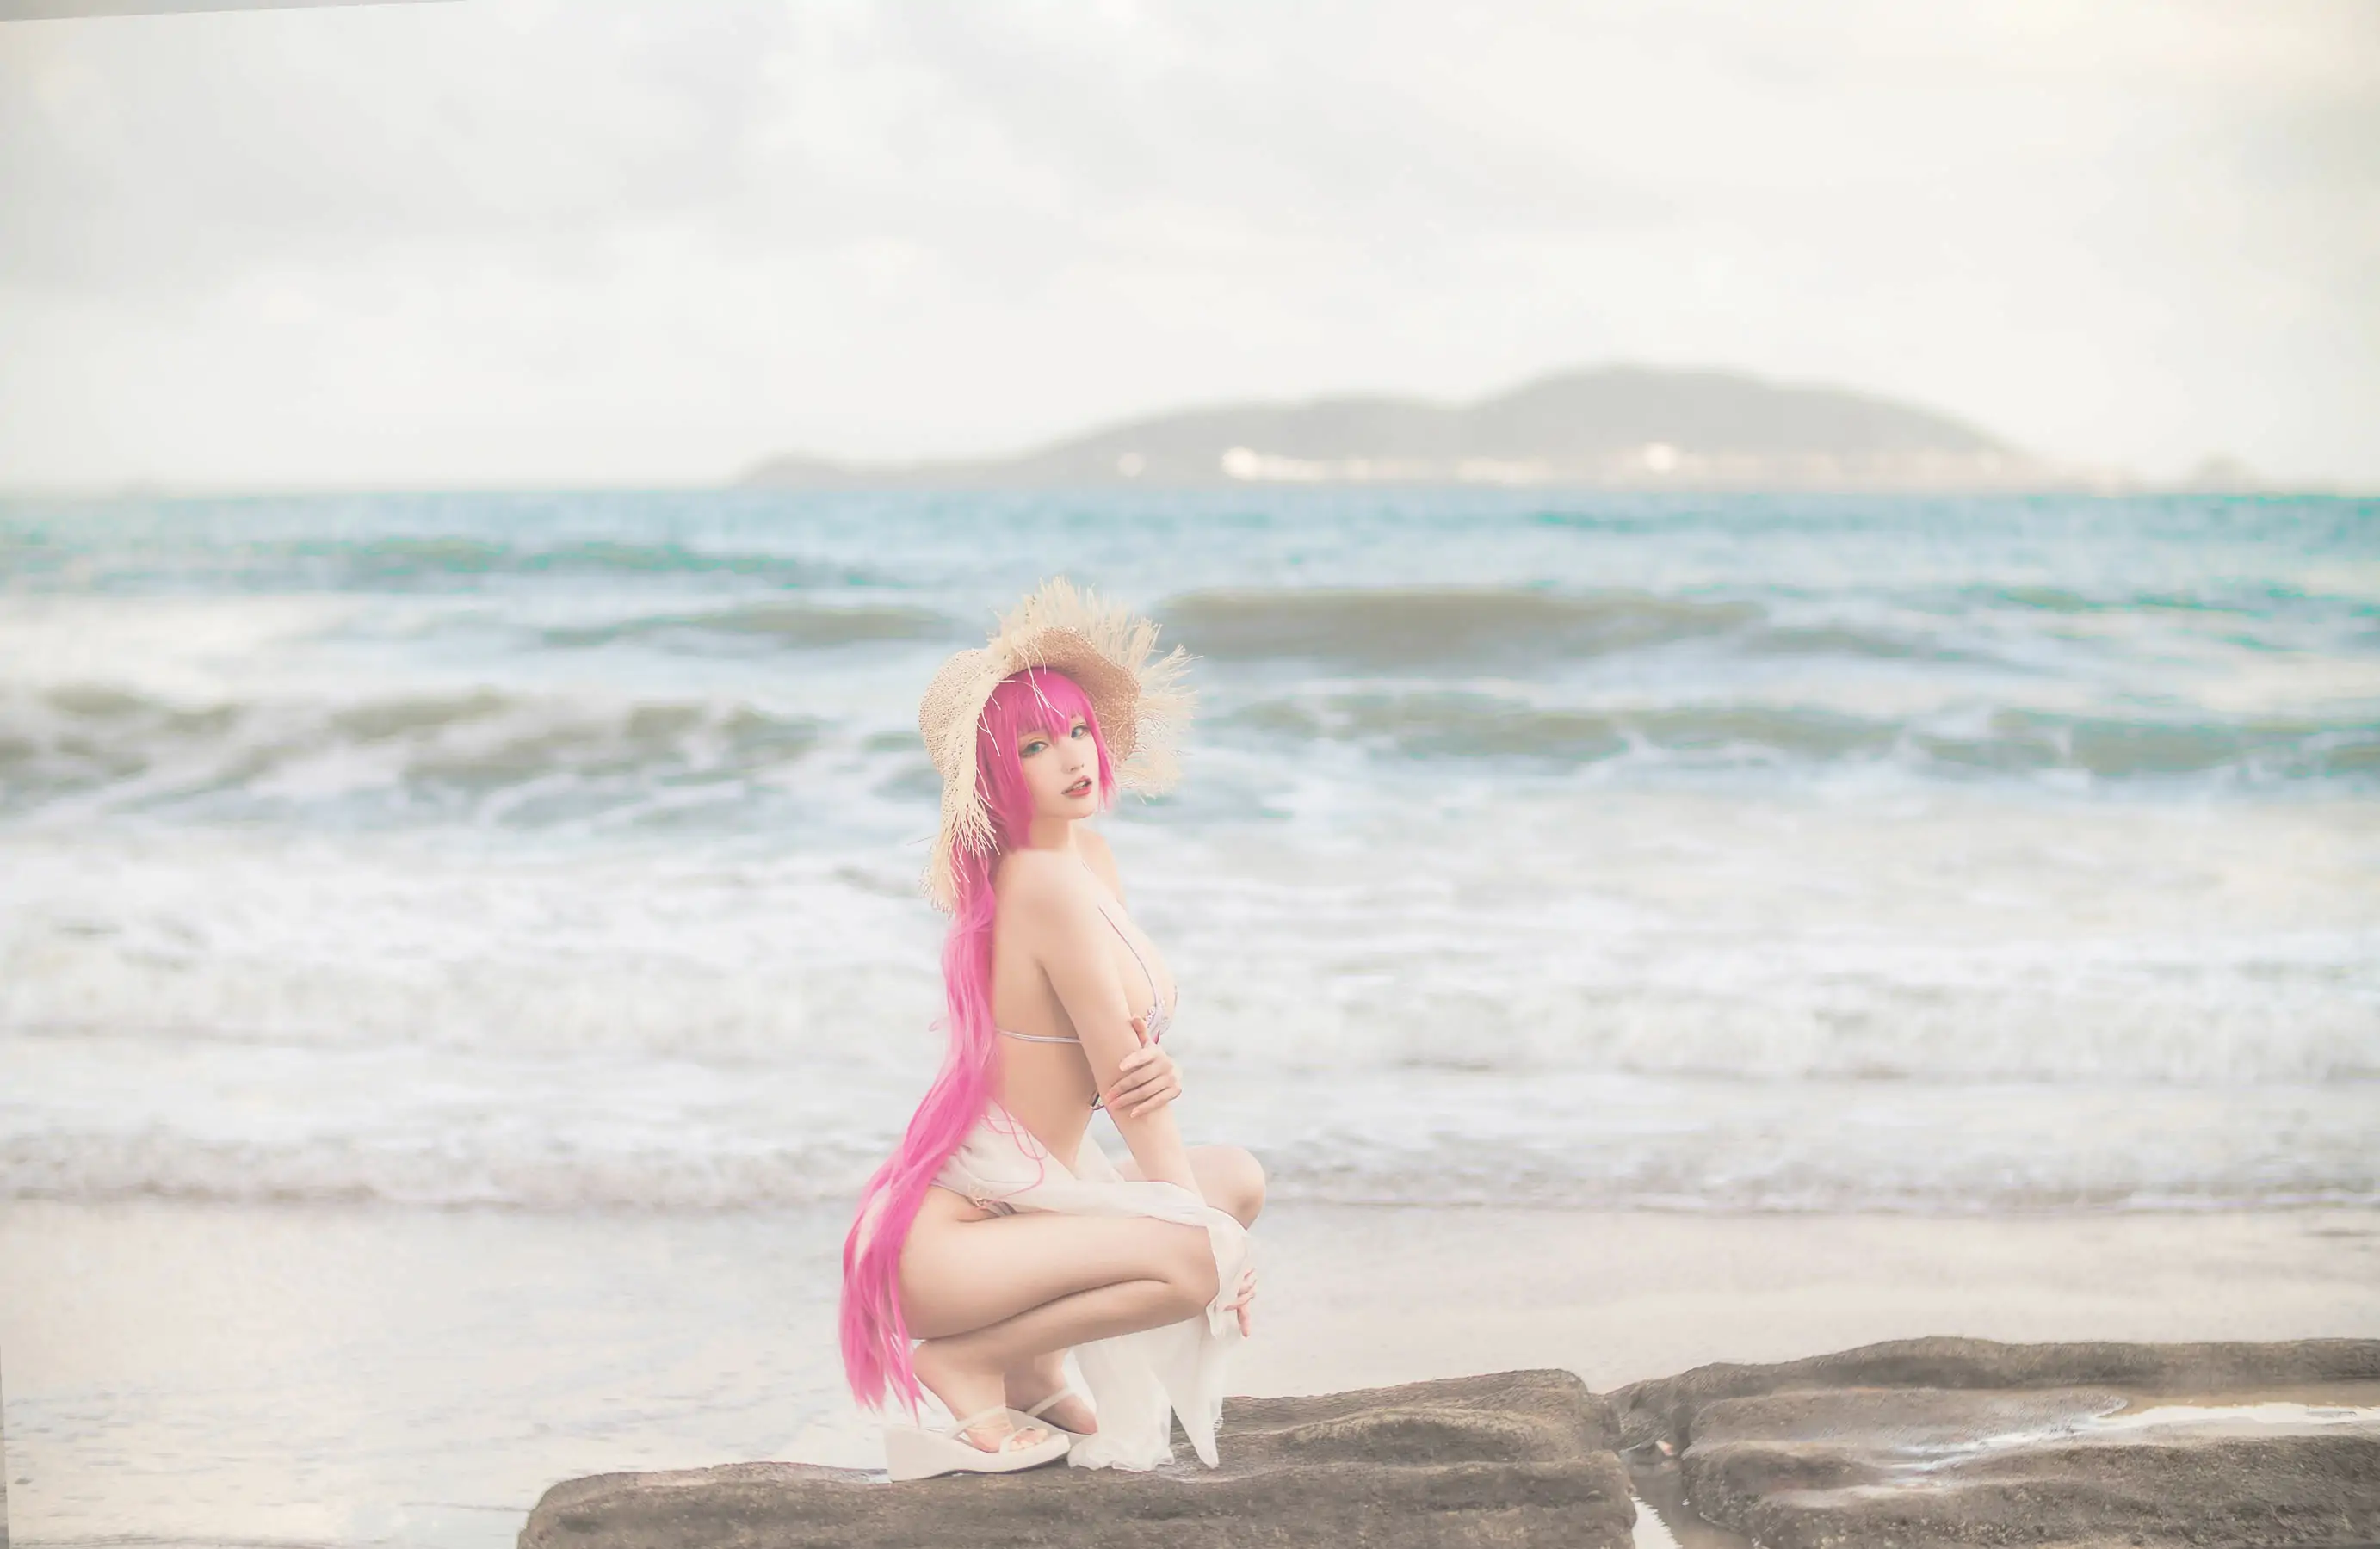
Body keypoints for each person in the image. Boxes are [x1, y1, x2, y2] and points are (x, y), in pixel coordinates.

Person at [838, 577, 1264, 1481]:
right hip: (948, 1246)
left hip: (1028, 1208)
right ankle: (968, 1360)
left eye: (1075, 729)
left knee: (1236, 1181)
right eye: (1034, 746)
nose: (1071, 755)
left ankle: (1034, 1374)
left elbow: (1124, 1069)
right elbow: (1121, 1084)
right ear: (997, 774)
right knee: (1196, 1260)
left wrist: (1155, 1077)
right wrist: (1208, 1246)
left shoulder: (1088, 858)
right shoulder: (1039, 881)